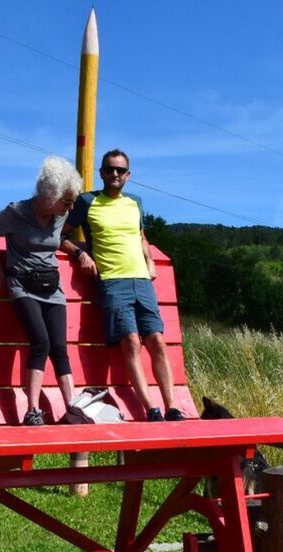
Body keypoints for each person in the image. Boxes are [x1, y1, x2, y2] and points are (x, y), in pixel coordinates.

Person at [61, 149, 185, 421]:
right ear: (101, 172)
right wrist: (80, 253)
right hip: (112, 282)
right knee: (130, 342)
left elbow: (141, 236)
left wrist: (150, 261)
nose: (114, 174)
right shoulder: (87, 201)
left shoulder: (135, 203)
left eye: (120, 170)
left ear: (128, 175)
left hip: (142, 281)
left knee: (157, 341)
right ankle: (151, 409)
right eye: (109, 169)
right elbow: (61, 234)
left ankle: (172, 406)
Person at [0, 156, 81, 425]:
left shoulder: (61, 214)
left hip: (52, 286)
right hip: (22, 284)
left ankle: (72, 407)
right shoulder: (16, 213)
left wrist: (78, 252)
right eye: (67, 201)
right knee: (41, 343)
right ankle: (32, 410)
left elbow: (58, 238)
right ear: (50, 196)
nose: (70, 207)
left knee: (59, 347)